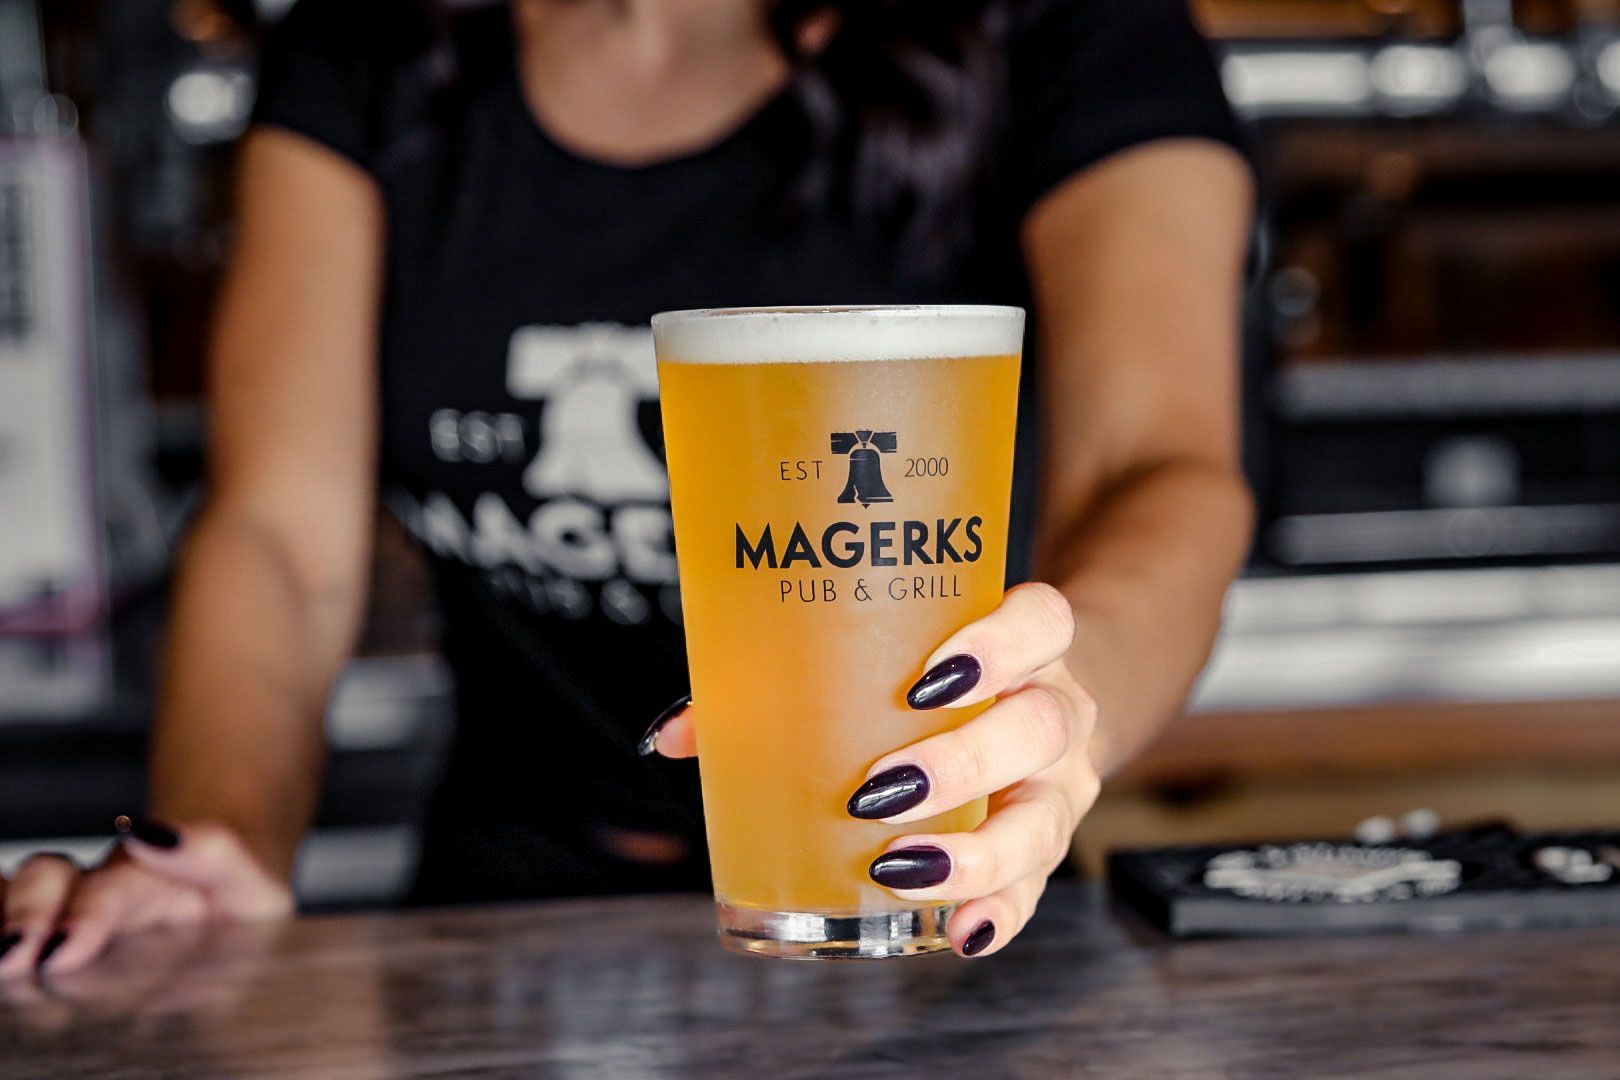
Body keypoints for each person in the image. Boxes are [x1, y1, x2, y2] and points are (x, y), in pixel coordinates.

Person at [0, 0, 1254, 974]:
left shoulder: (1066, 27)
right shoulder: (371, 39)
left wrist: (1054, 707)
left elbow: (1162, 473)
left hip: (930, 908)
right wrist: (217, 843)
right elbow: (281, 535)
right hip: (503, 927)